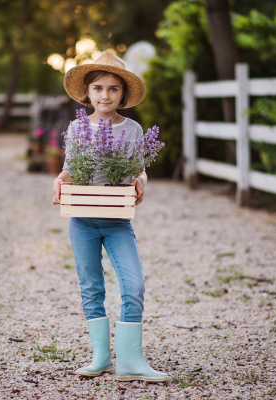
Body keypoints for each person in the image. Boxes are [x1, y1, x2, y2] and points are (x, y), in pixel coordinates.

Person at [52, 51, 169, 382]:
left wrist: (139, 182)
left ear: (123, 95)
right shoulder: (78, 128)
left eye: (113, 89)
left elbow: (138, 170)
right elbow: (70, 171)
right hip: (83, 220)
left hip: (117, 219)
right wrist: (60, 181)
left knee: (134, 284)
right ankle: (100, 357)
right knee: (91, 287)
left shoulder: (132, 129)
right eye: (99, 88)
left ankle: (131, 361)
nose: (105, 95)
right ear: (87, 93)